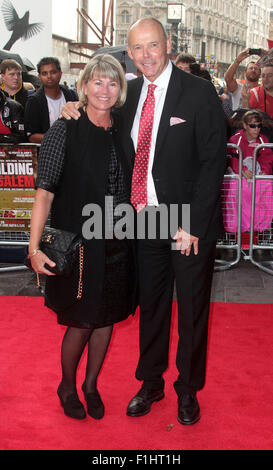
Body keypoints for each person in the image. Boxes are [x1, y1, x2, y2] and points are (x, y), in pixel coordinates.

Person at [61, 17, 226, 425]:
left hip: (186, 223)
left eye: (153, 45)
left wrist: (195, 227)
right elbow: (98, 112)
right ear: (129, 52)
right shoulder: (128, 93)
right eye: (137, 48)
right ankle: (150, 382)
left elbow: (212, 166)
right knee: (151, 307)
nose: (146, 55)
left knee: (190, 310)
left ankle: (187, 390)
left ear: (167, 44)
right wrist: (75, 106)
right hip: (144, 220)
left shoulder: (200, 93)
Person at [28, 54, 137, 420]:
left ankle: (91, 385)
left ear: (120, 89)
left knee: (107, 317)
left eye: (112, 83)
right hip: (80, 243)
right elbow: (44, 192)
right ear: (84, 86)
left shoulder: (123, 124)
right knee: (82, 320)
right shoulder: (65, 128)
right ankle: (67, 384)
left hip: (119, 239)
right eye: (97, 82)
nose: (104, 90)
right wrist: (33, 248)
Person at [224, 110, 273, 233]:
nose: (256, 129)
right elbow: (233, 159)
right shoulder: (236, 139)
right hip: (238, 172)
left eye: (259, 126)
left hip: (257, 172)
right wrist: (243, 170)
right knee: (240, 187)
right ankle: (236, 226)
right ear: (245, 125)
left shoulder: (263, 139)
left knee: (266, 185)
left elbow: (267, 158)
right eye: (253, 126)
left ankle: (260, 227)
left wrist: (265, 171)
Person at [24, 57, 78, 144]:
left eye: (53, 72)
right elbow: (32, 136)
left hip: (73, 152)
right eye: (44, 73)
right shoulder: (34, 101)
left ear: (60, 74)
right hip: (47, 152)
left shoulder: (71, 95)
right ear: (39, 76)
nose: (49, 76)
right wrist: (58, 138)